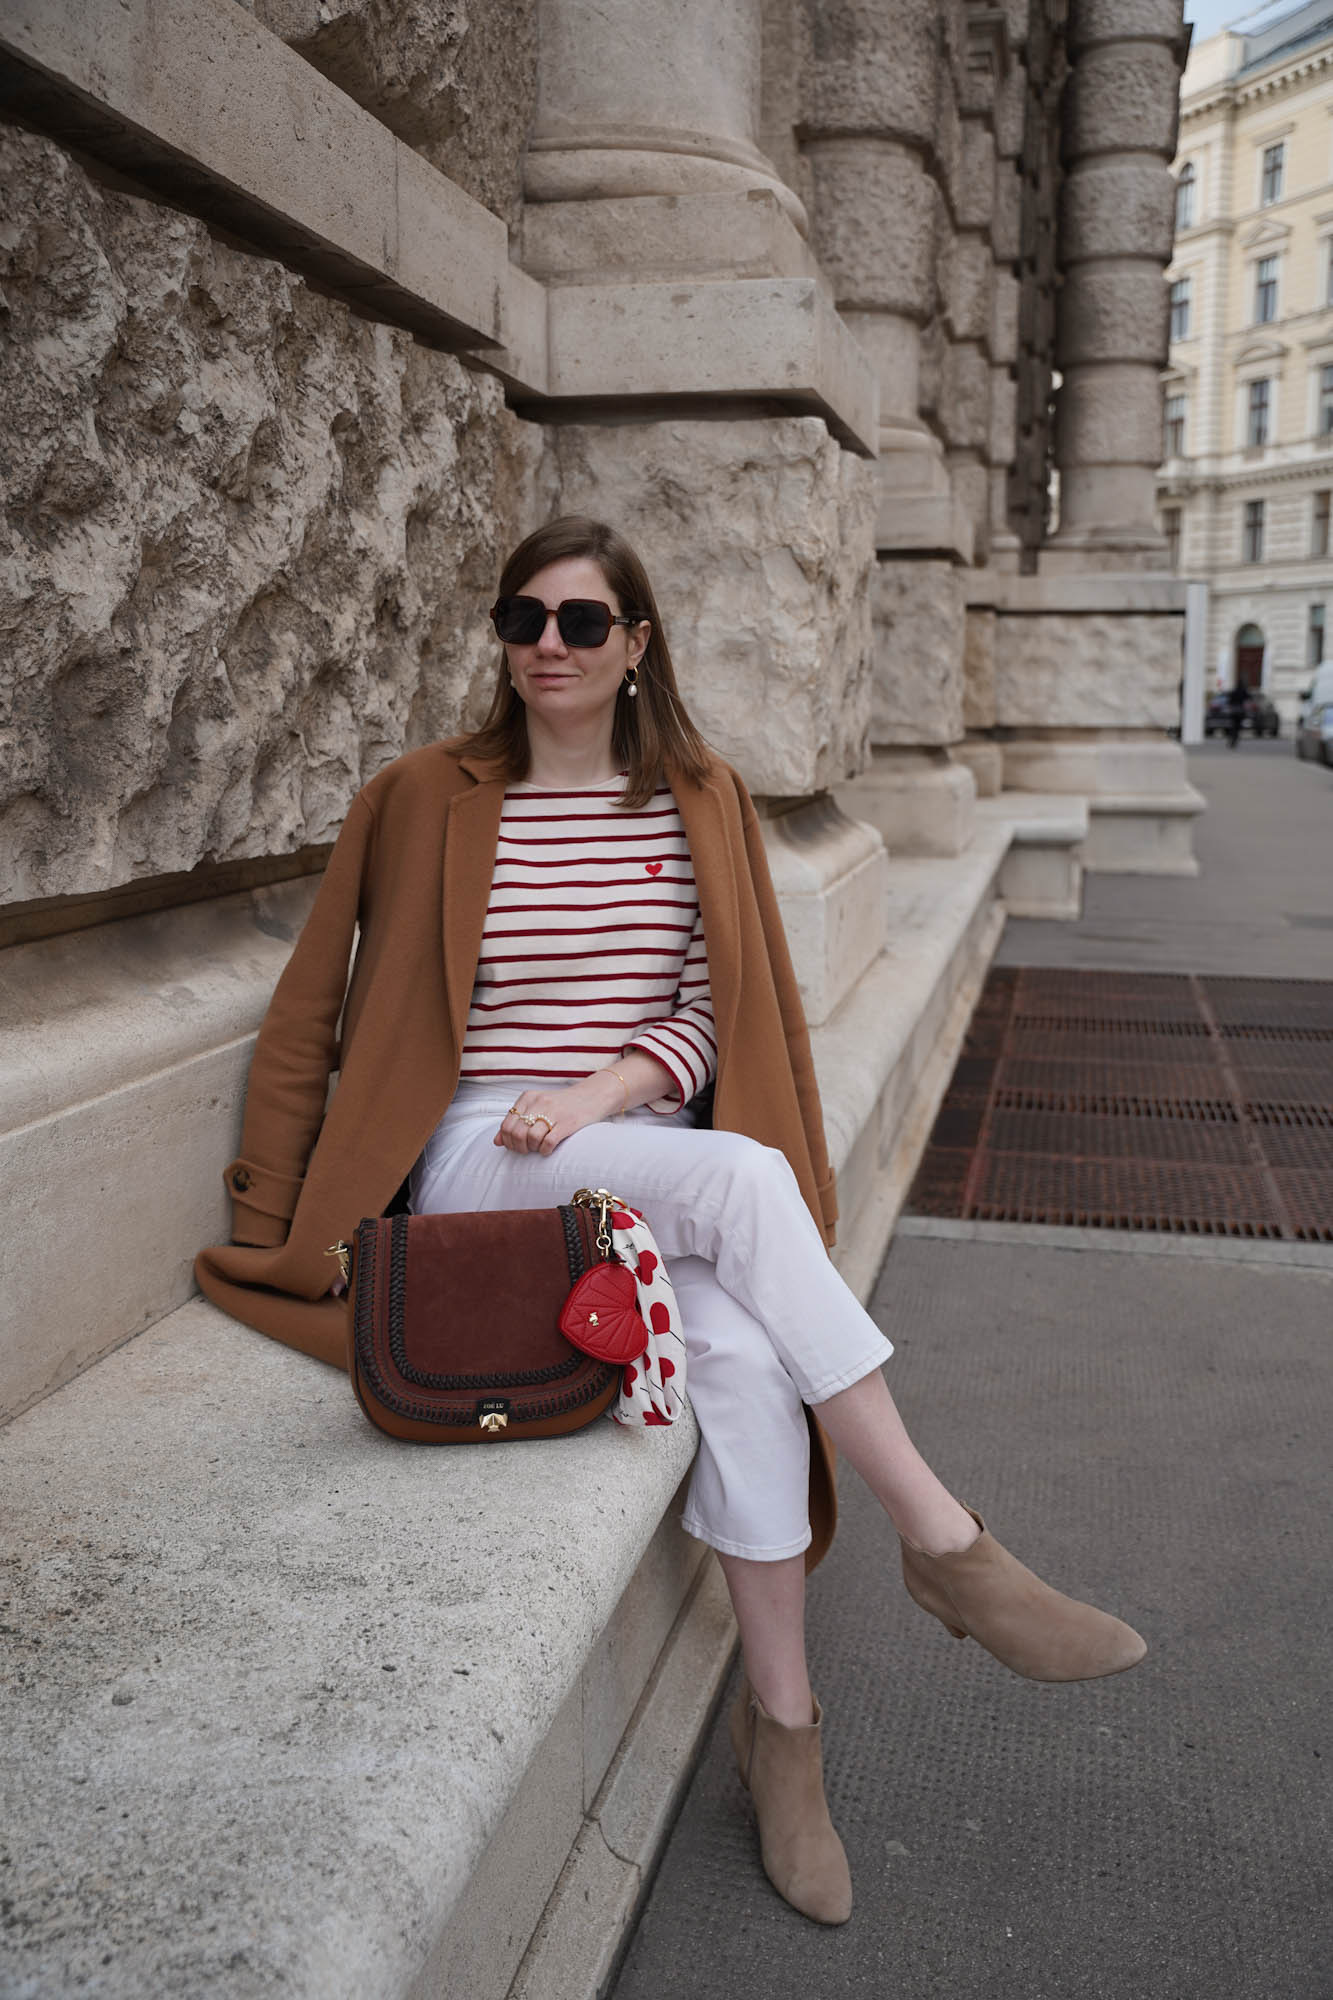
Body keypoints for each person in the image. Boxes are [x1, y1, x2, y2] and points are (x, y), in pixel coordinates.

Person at [197, 516, 1146, 1927]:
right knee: (747, 1181)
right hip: (475, 1151)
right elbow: (304, 1022)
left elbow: (719, 1004)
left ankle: (784, 1735)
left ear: (637, 645)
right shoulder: (422, 795)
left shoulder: (695, 797)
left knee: (748, 1361)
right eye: (524, 622)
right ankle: (946, 1547)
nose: (549, 651)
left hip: (621, 1139)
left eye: (584, 624)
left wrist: (612, 1085)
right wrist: (277, 1219)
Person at [1226, 679, 1249, 749]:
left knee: (1233, 726)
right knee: (1238, 727)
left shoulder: (1234, 691)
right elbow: (1249, 698)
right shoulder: (1243, 691)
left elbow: (1229, 701)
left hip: (1233, 711)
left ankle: (1231, 740)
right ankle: (1234, 741)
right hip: (1240, 711)